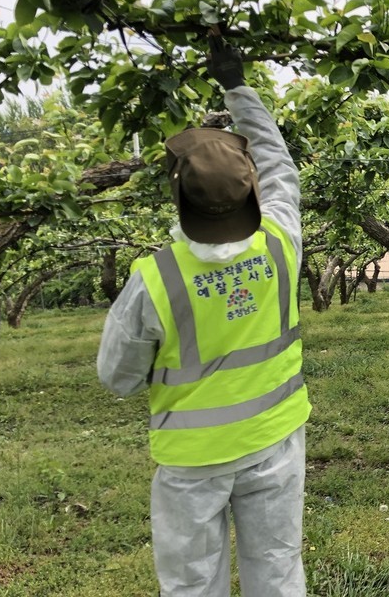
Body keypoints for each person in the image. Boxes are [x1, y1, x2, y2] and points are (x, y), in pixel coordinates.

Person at [97, 35, 310, 597]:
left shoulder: (154, 280)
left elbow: (116, 378)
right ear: (252, 192)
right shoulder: (281, 243)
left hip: (191, 463)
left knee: (192, 585)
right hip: (275, 440)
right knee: (280, 573)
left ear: (179, 196)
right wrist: (237, 85)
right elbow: (280, 164)